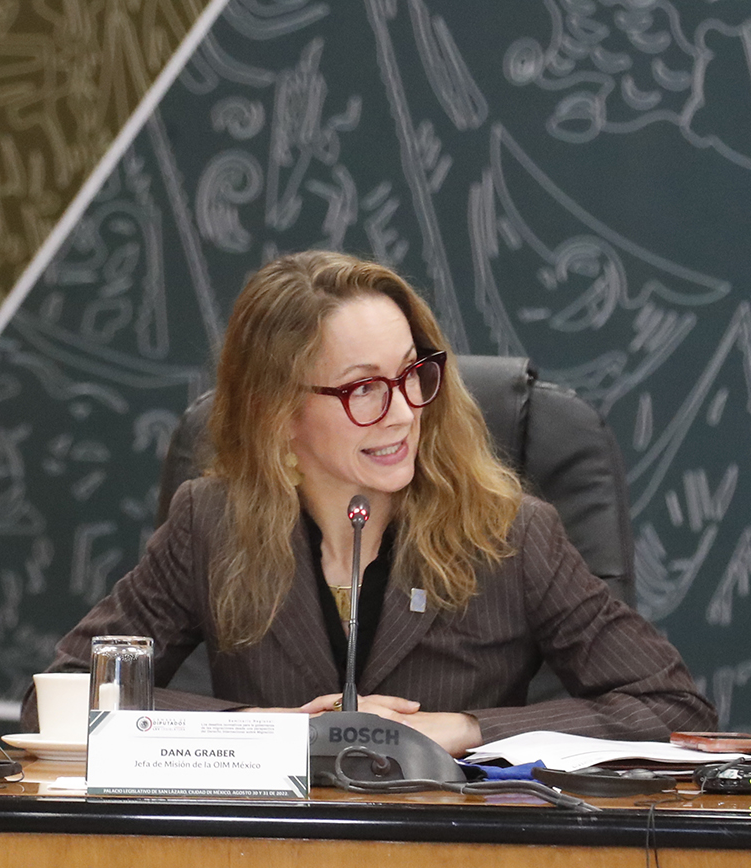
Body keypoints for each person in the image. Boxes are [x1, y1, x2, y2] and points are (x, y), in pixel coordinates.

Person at [35, 251, 714, 749]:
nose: (403, 412)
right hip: (263, 865)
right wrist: (264, 727)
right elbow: (63, 699)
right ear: (276, 410)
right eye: (364, 388)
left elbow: (673, 707)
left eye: (412, 373)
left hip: (459, 866)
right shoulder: (212, 522)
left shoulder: (510, 533)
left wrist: (462, 729)